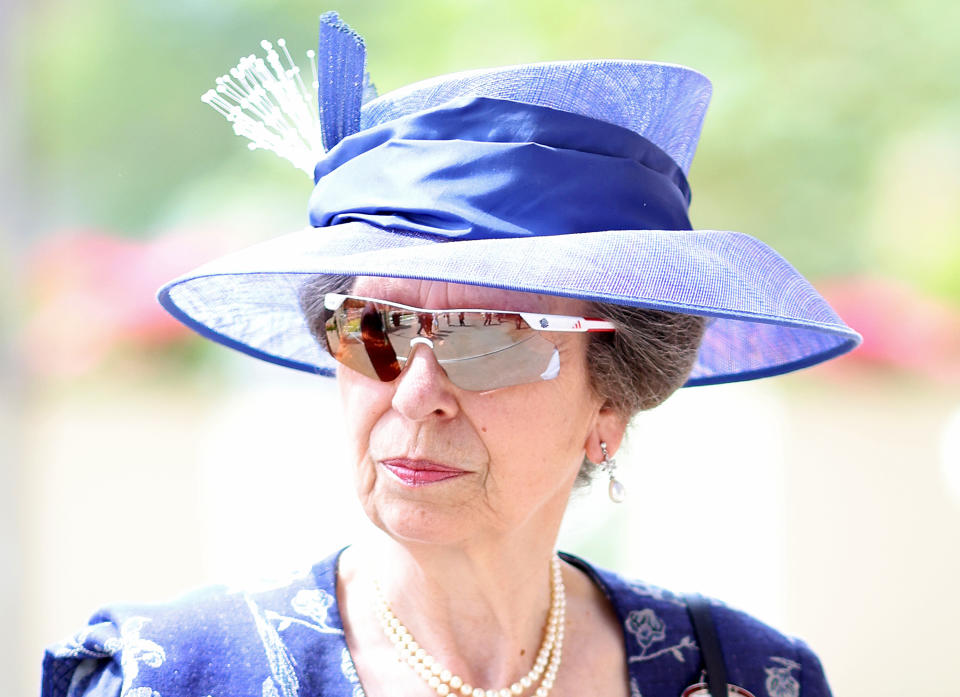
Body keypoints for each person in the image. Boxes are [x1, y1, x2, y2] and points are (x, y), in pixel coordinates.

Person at [41, 12, 860, 697]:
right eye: (375, 328)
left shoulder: (746, 673)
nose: (415, 393)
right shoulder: (174, 673)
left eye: (492, 337)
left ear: (609, 403)